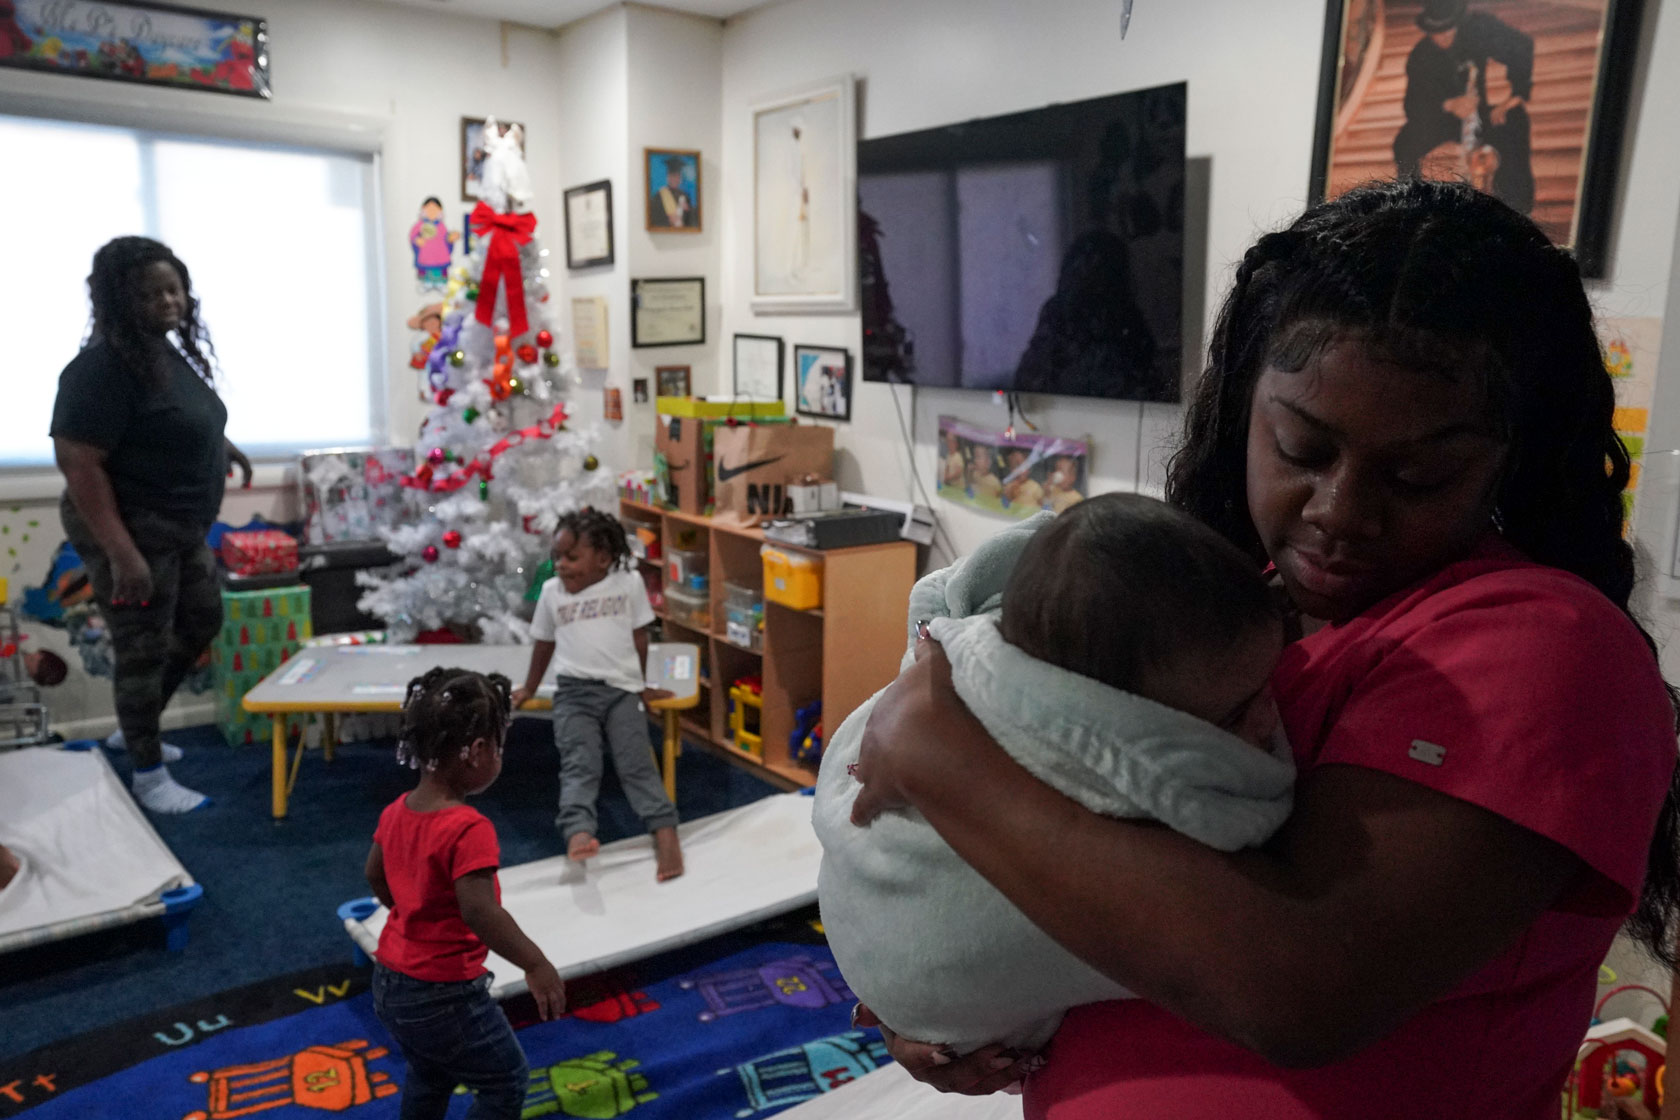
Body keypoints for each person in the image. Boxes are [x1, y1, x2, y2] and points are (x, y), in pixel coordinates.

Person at [843, 178, 1680, 1118]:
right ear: (1245, 409)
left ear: (1509, 458)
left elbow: (1303, 987)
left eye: (1418, 474)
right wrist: (933, 977)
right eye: (1302, 449)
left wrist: (934, 752)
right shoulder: (1224, 614)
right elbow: (1059, 832)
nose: (1340, 512)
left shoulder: (1541, 645)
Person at [815, 495, 1292, 1056]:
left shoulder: (1146, 635)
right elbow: (1246, 843)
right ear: (1119, 711)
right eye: (1234, 715)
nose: (1267, 718)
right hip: (917, 954)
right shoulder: (1104, 734)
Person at [51, 236, 253, 814]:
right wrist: (122, 555)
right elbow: (79, 463)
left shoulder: (159, 352)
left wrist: (222, 447)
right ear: (120, 300)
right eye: (151, 293)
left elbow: (173, 420)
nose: (169, 301)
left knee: (202, 620)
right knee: (142, 646)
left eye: (175, 289)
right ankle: (147, 771)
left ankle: (135, 727)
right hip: (130, 529)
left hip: (178, 526)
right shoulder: (100, 368)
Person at [365, 667, 565, 1120]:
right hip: (441, 994)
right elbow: (479, 911)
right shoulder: (468, 827)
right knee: (505, 1080)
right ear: (477, 752)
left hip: (388, 983)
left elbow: (374, 874)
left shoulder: (397, 811)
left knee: (431, 1072)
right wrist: (535, 963)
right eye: (499, 746)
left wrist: (412, 914)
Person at [510, 509, 684, 882]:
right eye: (557, 556)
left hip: (622, 691)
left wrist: (641, 684)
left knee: (636, 761)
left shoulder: (628, 583)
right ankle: (579, 831)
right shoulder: (553, 593)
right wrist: (528, 686)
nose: (561, 565)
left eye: (572, 557)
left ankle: (665, 831)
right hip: (574, 693)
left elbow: (639, 636)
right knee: (580, 762)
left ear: (603, 558)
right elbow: (544, 643)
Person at [1392, 0, 1535, 214]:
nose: (1444, 37)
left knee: (1515, 120)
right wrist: (1447, 105)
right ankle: (1410, 205)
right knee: (1404, 142)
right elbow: (1412, 106)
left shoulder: (1476, 31)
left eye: (1449, 30)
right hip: (1442, 119)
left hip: (1480, 114)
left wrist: (1514, 97)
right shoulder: (1420, 56)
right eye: (1437, 33)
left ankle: (1516, 207)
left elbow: (1521, 46)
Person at [650, 161, 695, 229]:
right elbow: (653, 219)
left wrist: (688, 210)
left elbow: (691, 222)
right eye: (673, 176)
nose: (675, 179)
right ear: (668, 177)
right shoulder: (659, 196)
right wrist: (669, 220)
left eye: (678, 176)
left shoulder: (684, 195)